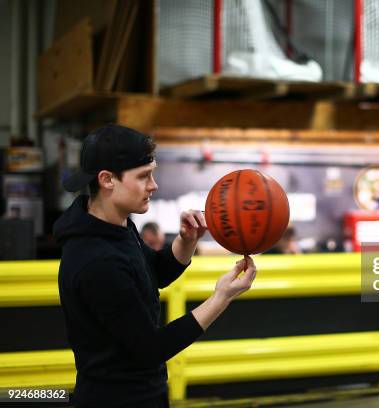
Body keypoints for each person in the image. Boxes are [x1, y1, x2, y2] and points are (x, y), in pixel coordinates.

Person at [54, 124, 256, 408]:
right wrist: (221, 298)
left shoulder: (118, 227)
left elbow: (155, 274)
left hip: (146, 393)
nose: (154, 185)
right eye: (144, 176)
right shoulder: (96, 261)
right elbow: (150, 349)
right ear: (107, 179)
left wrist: (186, 241)